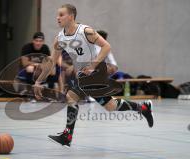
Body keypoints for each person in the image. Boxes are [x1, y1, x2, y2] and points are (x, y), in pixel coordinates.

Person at [34, 4, 154, 147]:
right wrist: (38, 81)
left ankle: (67, 136)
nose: (57, 18)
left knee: (71, 97)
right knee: (110, 105)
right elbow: (52, 61)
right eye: (57, 15)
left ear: (71, 17)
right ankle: (143, 108)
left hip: (96, 72)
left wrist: (92, 65)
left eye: (61, 15)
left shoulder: (85, 31)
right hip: (84, 76)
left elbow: (106, 46)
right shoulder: (60, 38)